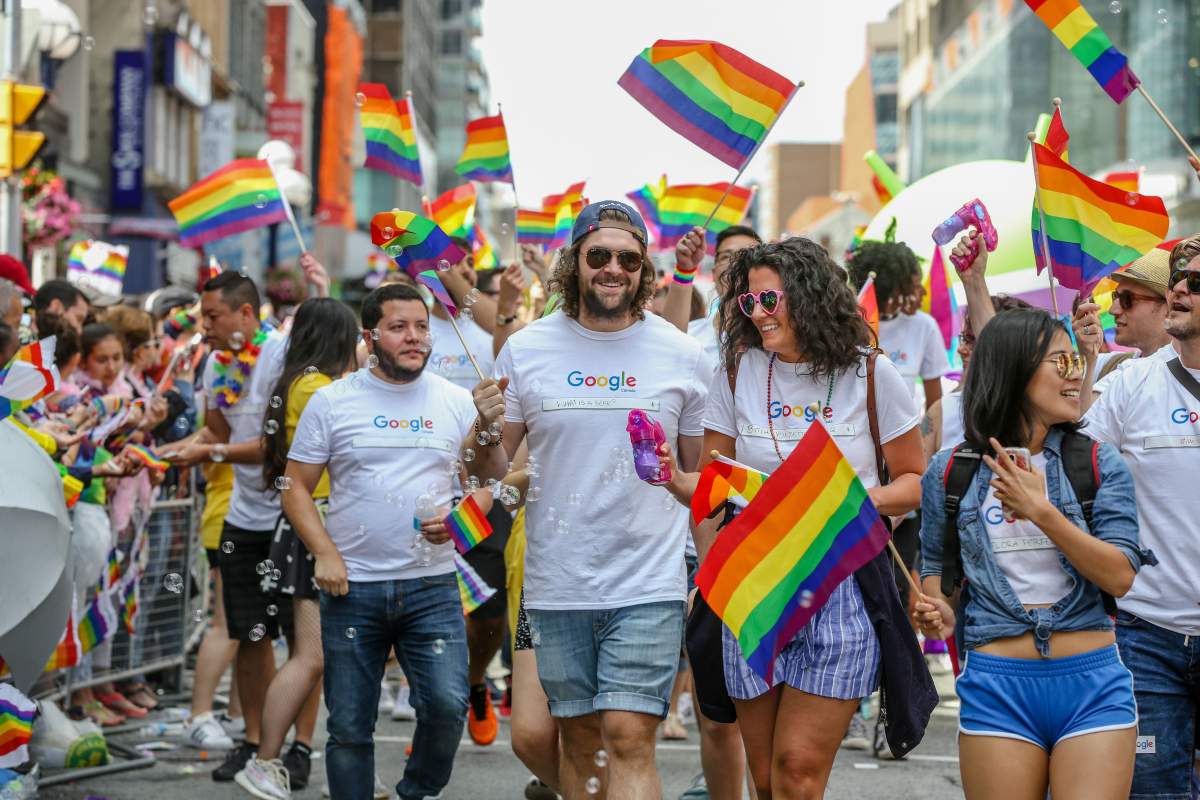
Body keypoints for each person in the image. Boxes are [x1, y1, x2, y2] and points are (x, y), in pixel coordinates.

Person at [654, 237, 932, 799]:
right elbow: (714, 487)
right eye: (747, 303)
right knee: (766, 779)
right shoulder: (736, 373)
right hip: (753, 584)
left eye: (769, 300)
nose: (758, 314)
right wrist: (674, 482)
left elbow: (913, 484)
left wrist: (849, 501)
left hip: (840, 586)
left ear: (807, 296)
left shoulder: (872, 376)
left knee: (799, 773)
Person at [493, 200, 711, 799]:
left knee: (629, 737)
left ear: (644, 270)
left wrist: (709, 570)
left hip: (648, 581)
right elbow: (491, 465)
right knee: (580, 742)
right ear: (575, 261)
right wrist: (482, 430)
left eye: (629, 259)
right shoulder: (527, 348)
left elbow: (700, 477)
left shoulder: (681, 354)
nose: (613, 269)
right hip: (557, 582)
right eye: (599, 255)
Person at [282, 282, 508, 800]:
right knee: (349, 727)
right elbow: (294, 486)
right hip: (352, 590)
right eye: (399, 327)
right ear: (370, 336)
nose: (414, 337)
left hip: (431, 586)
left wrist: (462, 512)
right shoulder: (332, 402)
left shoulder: (456, 401)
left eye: (422, 326)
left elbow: (489, 482)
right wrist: (325, 553)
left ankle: (415, 793)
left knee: (448, 706)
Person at [917, 307, 1149, 799]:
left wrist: (1041, 511)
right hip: (996, 684)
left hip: (1092, 684)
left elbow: (1120, 576)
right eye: (1061, 363)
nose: (1076, 375)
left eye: (1076, 363)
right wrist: (934, 606)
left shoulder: (1096, 460)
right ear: (1015, 371)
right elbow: (935, 564)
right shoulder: (950, 470)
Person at [1082, 234, 1200, 798]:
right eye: (1178, 279)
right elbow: (1073, 474)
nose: (1179, 289)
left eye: (1195, 282)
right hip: (1145, 635)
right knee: (1150, 791)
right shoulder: (1129, 384)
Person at [164, 271, 290, 783]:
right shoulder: (216, 362)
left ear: (245, 314)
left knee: (303, 645)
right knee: (249, 633)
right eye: (202, 316)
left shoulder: (281, 355)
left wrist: (207, 451)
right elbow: (216, 430)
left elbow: (277, 446)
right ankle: (253, 739)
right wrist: (166, 453)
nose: (205, 326)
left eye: (213, 316)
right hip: (242, 515)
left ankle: (290, 747)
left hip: (288, 515)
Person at [235, 298, 361, 800]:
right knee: (310, 656)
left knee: (323, 656)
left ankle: (316, 761)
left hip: (321, 525)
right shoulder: (317, 388)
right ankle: (265, 760)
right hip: (318, 527)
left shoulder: (301, 382)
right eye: (355, 335)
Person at [425, 237, 512, 747]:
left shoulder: (488, 329)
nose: (452, 276)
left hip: (485, 487)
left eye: (459, 267)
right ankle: (438, 715)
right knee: (436, 607)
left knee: (487, 612)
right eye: (441, 268)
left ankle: (476, 679)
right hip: (428, 487)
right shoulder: (415, 327)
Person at [922, 294, 1031, 459]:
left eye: (973, 340)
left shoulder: (1036, 413)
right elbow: (917, 480)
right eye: (963, 338)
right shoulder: (942, 411)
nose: (961, 349)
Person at [1074, 247, 1176, 411]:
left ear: (1170, 307)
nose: (1112, 310)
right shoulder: (1109, 364)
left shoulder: (1190, 374)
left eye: (1127, 299)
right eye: (1116, 297)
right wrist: (1087, 357)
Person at [847, 241, 947, 410]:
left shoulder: (925, 326)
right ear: (892, 292)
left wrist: (926, 436)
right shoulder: (849, 328)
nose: (923, 292)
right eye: (916, 286)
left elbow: (935, 404)